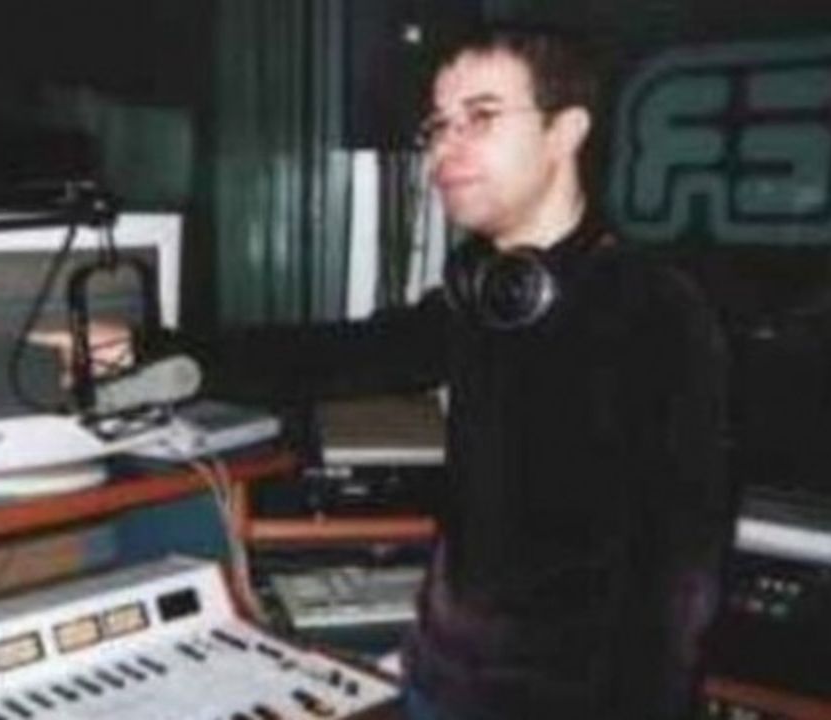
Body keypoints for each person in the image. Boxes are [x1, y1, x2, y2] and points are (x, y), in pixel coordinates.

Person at [194, 24, 732, 719]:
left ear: (565, 132)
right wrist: (165, 356)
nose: (447, 148)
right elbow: (342, 354)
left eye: (481, 117)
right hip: (442, 679)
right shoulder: (481, 288)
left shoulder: (653, 308)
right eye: (439, 125)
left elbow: (679, 584)